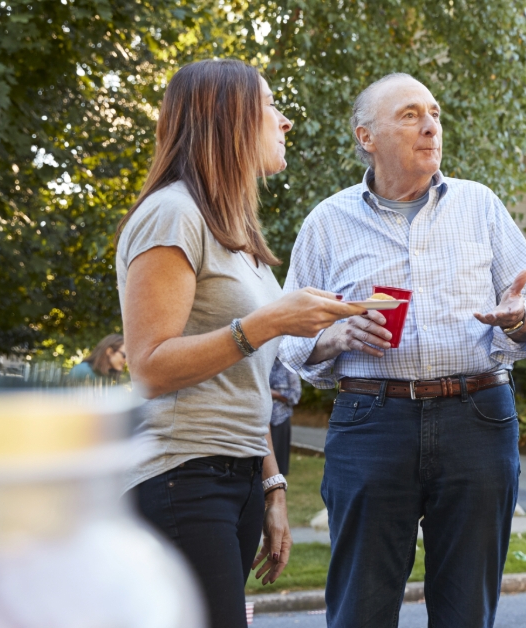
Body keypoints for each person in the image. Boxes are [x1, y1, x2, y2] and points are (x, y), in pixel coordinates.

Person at [278, 73, 526, 627]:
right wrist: (335, 336)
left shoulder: (481, 205)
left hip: (477, 418)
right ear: (366, 136)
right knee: (361, 608)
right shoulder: (327, 223)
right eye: (409, 115)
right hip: (370, 422)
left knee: (466, 611)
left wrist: (519, 317)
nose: (430, 125)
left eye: (434, 113)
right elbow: (286, 339)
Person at [116, 59, 364, 628]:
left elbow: (244, 381)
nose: (284, 121)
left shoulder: (236, 235)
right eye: (272, 106)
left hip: (235, 475)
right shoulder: (172, 215)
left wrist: (272, 485)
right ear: (228, 119)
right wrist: (270, 322)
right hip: (181, 476)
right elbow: (150, 366)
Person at [268, 358, 301, 475]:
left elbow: (295, 395)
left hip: (280, 420)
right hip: (261, 420)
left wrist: (275, 394)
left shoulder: (289, 367)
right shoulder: (265, 363)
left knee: (278, 465)